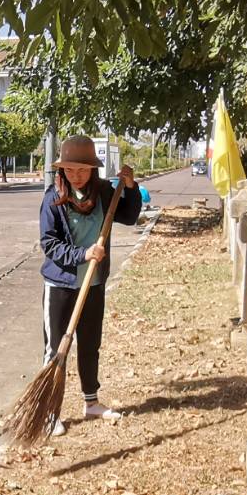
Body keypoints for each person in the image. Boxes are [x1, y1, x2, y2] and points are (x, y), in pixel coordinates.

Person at [39, 134, 142, 435]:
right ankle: (48, 411)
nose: (76, 175)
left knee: (90, 344)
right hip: (60, 285)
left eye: (82, 169)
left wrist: (131, 188)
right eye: (70, 170)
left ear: (92, 169)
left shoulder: (104, 192)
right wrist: (82, 254)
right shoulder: (53, 197)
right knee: (55, 349)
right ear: (62, 170)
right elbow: (49, 243)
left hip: (93, 283)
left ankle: (91, 401)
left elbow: (129, 216)